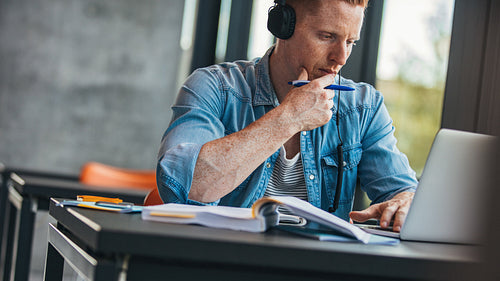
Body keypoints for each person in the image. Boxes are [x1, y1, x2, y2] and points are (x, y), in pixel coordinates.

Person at [157, 0, 418, 232]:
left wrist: (406, 202)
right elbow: (186, 187)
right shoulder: (214, 87)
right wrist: (289, 117)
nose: (340, 58)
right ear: (282, 25)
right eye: (327, 36)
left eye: (350, 42)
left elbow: (402, 192)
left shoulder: (363, 107)